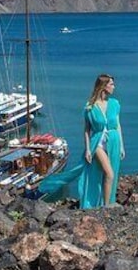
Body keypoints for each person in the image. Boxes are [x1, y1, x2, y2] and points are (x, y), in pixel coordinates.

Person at [37, 74, 125, 208]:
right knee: (109, 174)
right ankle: (107, 207)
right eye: (111, 84)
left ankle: (107, 202)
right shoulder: (90, 107)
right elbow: (86, 130)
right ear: (103, 86)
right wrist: (88, 149)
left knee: (111, 173)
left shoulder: (114, 104)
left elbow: (118, 125)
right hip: (98, 143)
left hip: (114, 141)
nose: (114, 87)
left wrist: (122, 147)